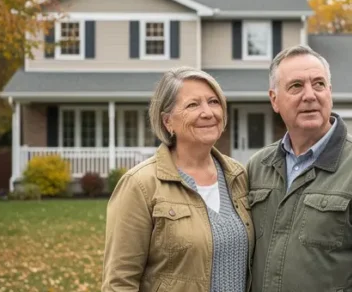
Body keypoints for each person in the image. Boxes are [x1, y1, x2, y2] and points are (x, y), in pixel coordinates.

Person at [245, 45, 352, 291]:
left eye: (319, 84)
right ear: (274, 99)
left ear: (330, 93)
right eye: (296, 86)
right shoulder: (258, 167)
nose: (310, 95)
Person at [102, 66, 254, 292]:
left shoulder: (238, 176)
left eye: (213, 102)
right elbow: (119, 283)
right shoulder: (140, 185)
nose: (208, 112)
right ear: (167, 121)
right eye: (193, 105)